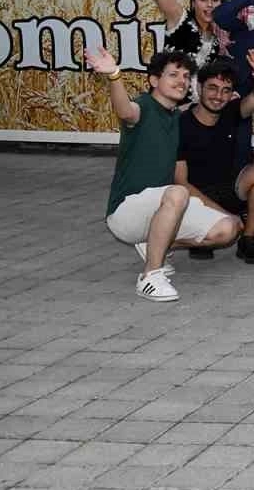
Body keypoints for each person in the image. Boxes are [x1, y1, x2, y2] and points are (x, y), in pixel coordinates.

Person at [92, 47, 241, 302]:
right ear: (153, 80)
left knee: (228, 229)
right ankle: (150, 276)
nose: (181, 81)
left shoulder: (175, 115)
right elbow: (126, 111)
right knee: (178, 192)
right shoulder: (144, 106)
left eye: (186, 76)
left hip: (162, 206)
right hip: (126, 211)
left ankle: (154, 243)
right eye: (173, 75)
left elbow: (204, 109)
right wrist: (114, 75)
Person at [176, 58, 254, 265]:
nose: (218, 96)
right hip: (193, 200)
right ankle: (193, 237)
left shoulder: (232, 111)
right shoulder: (180, 124)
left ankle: (248, 240)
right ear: (199, 88)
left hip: (229, 190)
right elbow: (181, 183)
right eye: (212, 88)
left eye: (226, 90)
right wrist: (223, 215)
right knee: (225, 230)